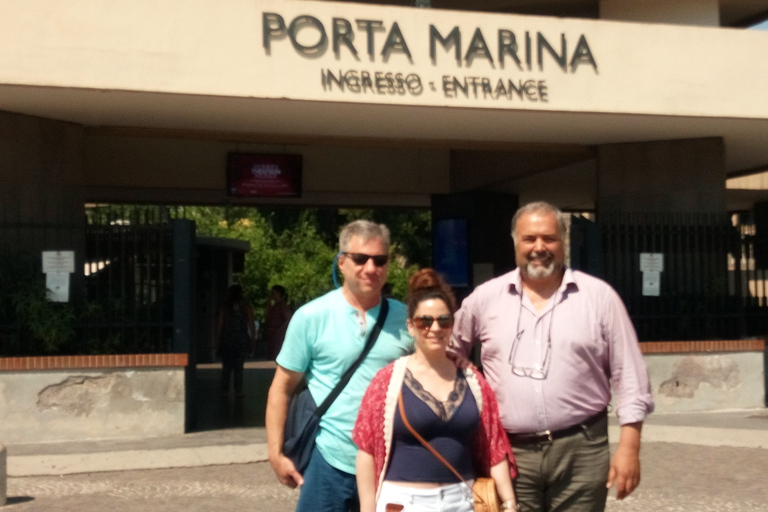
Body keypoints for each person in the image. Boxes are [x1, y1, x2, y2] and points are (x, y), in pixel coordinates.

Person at [450, 201, 654, 512]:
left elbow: (630, 376)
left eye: (549, 238)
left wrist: (629, 447)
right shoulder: (485, 299)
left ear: (563, 242)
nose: (539, 247)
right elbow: (445, 353)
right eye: (529, 239)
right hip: (509, 453)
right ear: (515, 243)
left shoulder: (600, 298)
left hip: (582, 450)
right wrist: (464, 376)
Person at [266, 220, 413, 512]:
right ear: (342, 262)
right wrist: (275, 454)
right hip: (330, 461)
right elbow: (281, 388)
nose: (371, 268)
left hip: (391, 463)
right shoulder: (311, 317)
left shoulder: (408, 320)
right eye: (360, 259)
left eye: (379, 260)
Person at [353, 269, 518, 512]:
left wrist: (509, 503)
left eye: (444, 320)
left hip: (462, 501)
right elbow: (366, 451)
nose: (435, 328)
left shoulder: (473, 380)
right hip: (403, 502)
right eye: (424, 321)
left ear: (452, 325)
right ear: (410, 326)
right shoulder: (387, 381)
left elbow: (494, 446)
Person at [216, 284, 256, 398]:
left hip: (227, 338)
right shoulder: (245, 306)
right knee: (239, 366)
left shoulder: (225, 306)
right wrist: (253, 337)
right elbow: (251, 322)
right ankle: (238, 390)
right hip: (241, 338)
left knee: (226, 366)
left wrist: (218, 338)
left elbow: (220, 323)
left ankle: (224, 390)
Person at [265, 285, 292, 360]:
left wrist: (279, 330)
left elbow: (288, 318)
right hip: (272, 334)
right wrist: (269, 301)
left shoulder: (283, 305)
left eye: (273, 293)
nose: (271, 295)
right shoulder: (275, 305)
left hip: (279, 336)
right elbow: (267, 314)